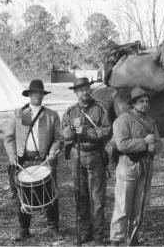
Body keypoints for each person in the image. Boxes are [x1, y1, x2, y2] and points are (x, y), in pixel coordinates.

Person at [3, 79, 63, 241]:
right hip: (24, 161)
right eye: (34, 93)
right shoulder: (20, 113)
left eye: (39, 93)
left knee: (50, 194)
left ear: (43, 95)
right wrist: (12, 156)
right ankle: (24, 229)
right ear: (29, 95)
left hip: (44, 160)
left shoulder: (51, 115)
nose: (37, 95)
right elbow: (8, 138)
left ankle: (53, 227)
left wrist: (52, 153)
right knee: (23, 197)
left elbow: (58, 138)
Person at [110, 86, 162, 246]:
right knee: (123, 206)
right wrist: (144, 143)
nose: (145, 104)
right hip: (128, 166)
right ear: (133, 103)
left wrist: (155, 147)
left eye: (147, 101)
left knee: (139, 205)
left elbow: (159, 142)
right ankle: (116, 239)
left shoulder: (151, 121)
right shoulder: (123, 120)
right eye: (141, 101)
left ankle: (133, 237)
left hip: (146, 167)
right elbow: (122, 144)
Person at [61, 77, 111, 244]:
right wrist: (72, 131)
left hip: (95, 155)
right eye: (80, 90)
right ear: (75, 93)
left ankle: (98, 234)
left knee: (97, 197)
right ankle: (85, 231)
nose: (84, 92)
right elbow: (64, 134)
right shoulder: (70, 111)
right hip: (76, 155)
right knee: (80, 195)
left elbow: (107, 132)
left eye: (86, 89)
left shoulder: (100, 109)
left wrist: (87, 132)